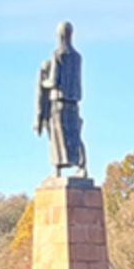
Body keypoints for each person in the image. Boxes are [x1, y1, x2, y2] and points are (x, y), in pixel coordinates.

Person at [34, 20, 86, 177]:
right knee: (75, 135)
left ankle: (56, 169)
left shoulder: (57, 55)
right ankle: (82, 166)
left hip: (58, 102)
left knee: (57, 137)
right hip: (74, 103)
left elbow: (53, 81)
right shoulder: (77, 57)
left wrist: (42, 79)